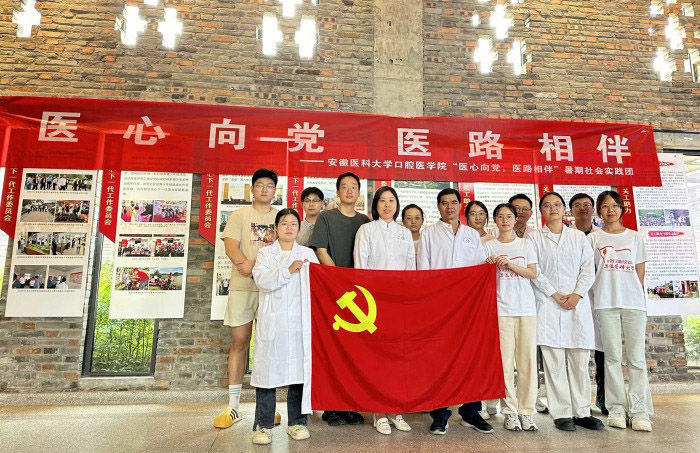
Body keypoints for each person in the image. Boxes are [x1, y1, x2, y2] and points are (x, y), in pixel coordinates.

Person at [418, 188, 493, 435]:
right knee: (439, 359)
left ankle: (471, 412)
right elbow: (423, 270)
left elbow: (480, 268)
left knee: (471, 357)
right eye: (444, 203)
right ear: (438, 207)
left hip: (468, 307)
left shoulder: (471, 234)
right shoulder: (429, 233)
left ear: (461, 205)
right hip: (439, 306)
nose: (449, 206)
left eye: (453, 202)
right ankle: (440, 414)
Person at [528, 192, 604, 432]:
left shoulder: (578, 237)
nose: (552, 209)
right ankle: (561, 413)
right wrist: (554, 294)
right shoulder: (533, 238)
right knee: (554, 363)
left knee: (579, 362)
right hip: (548, 304)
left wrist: (576, 295)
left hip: (576, 304)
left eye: (557, 205)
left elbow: (588, 269)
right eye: (547, 205)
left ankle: (582, 412)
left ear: (564, 210)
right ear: (541, 211)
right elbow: (535, 271)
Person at [214, 169, 280, 429]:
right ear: (252, 189)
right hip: (242, 287)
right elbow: (231, 246)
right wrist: (247, 266)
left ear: (275, 191)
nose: (264, 189)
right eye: (260, 185)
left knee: (268, 345)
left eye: (269, 185)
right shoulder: (239, 215)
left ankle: (267, 408)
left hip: (271, 289)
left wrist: (254, 266)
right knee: (240, 342)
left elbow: (283, 249)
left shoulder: (280, 216)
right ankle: (233, 406)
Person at [250, 208, 319, 445]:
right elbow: (262, 281)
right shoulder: (265, 254)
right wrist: (288, 270)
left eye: (293, 224)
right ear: (276, 228)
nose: (289, 228)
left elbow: (319, 283)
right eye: (284, 223)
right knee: (266, 374)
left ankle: (297, 423)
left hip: (300, 322)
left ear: (299, 229)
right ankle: (264, 425)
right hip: (274, 321)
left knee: (299, 373)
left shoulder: (308, 253)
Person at [588, 191, 653, 432]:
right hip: (605, 303)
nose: (610, 210)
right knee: (612, 358)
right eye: (605, 206)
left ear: (622, 209)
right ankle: (616, 408)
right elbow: (588, 270)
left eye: (615, 206)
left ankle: (639, 411)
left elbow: (640, 272)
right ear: (599, 211)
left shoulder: (634, 237)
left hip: (634, 304)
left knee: (636, 360)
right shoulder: (593, 239)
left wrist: (631, 292)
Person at [309, 172, 370, 427]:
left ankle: (352, 405)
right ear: (337, 192)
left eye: (353, 186)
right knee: (333, 349)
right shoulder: (326, 217)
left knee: (355, 352)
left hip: (360, 294)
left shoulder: (365, 221)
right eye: (344, 186)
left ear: (359, 192)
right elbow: (320, 250)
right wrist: (337, 280)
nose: (349, 190)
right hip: (332, 290)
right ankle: (332, 406)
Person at [354, 186, 415, 435]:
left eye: (392, 201)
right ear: (375, 204)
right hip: (375, 301)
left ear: (397, 205)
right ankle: (378, 412)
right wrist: (369, 298)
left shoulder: (404, 232)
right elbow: (361, 267)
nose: (387, 205)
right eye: (382, 201)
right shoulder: (366, 230)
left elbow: (410, 268)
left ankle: (395, 409)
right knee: (377, 357)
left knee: (398, 357)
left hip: (399, 301)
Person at [485, 203, 539, 432]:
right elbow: (482, 278)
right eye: (500, 216)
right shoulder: (488, 246)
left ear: (516, 219)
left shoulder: (526, 244)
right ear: (495, 220)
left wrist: (510, 264)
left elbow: (533, 273)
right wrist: (487, 265)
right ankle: (509, 411)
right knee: (505, 363)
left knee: (527, 361)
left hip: (526, 309)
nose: (505, 220)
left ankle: (526, 411)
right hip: (501, 310)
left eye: (509, 216)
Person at [569, 193, 607, 416]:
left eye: (586, 205)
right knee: (575, 353)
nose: (582, 208)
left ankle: (603, 398)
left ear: (594, 210)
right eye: (577, 205)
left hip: (599, 299)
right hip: (574, 300)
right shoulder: (567, 235)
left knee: (602, 351)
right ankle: (574, 402)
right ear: (571, 210)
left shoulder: (602, 236)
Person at [464, 199, 498, 418]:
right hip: (470, 301)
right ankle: (475, 403)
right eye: (473, 213)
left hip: (491, 300)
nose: (477, 217)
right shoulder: (464, 237)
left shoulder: (493, 240)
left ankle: (491, 400)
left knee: (488, 352)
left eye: (481, 213)